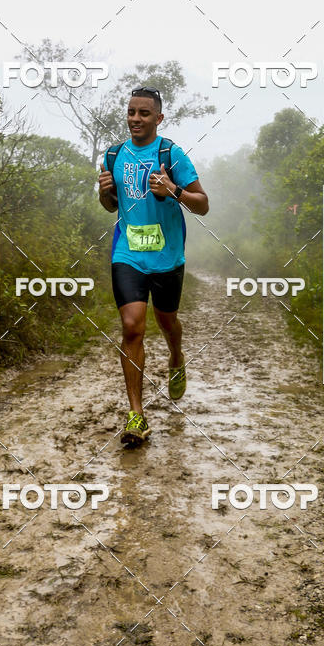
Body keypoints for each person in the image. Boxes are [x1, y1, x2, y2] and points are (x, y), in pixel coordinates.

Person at [98, 86, 209, 446]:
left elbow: (202, 204)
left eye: (144, 113)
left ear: (158, 118)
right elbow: (112, 206)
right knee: (132, 327)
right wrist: (103, 192)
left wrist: (173, 190)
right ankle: (136, 415)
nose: (135, 119)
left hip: (166, 257)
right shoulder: (114, 155)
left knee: (167, 322)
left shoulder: (171, 154)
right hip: (128, 253)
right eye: (131, 112)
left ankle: (176, 356)